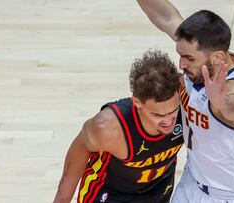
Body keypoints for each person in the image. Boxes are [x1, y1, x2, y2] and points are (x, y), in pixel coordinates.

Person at [137, 1, 234, 202]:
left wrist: (221, 104)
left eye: (188, 58)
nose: (181, 64)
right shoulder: (199, 53)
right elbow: (166, 17)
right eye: (180, 55)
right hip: (192, 183)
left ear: (218, 57)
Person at [53, 50, 184, 203]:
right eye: (157, 115)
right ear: (137, 102)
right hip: (110, 193)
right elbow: (82, 146)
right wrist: (61, 199)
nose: (168, 122)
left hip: (158, 190)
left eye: (172, 112)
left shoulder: (187, 104)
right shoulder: (107, 127)